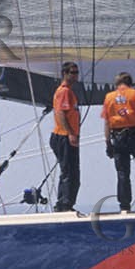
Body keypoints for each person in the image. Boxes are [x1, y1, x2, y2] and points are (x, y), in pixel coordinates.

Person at [102, 71, 135, 213]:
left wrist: (107, 143)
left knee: (123, 172)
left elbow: (107, 122)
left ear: (117, 84)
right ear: (130, 83)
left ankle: (124, 205)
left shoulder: (109, 98)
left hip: (118, 136)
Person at [50, 61, 82, 212]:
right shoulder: (64, 92)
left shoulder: (70, 92)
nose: (75, 75)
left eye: (76, 72)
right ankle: (64, 204)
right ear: (65, 73)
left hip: (68, 136)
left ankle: (66, 203)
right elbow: (60, 114)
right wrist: (70, 133)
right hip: (63, 136)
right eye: (72, 72)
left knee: (72, 172)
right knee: (69, 171)